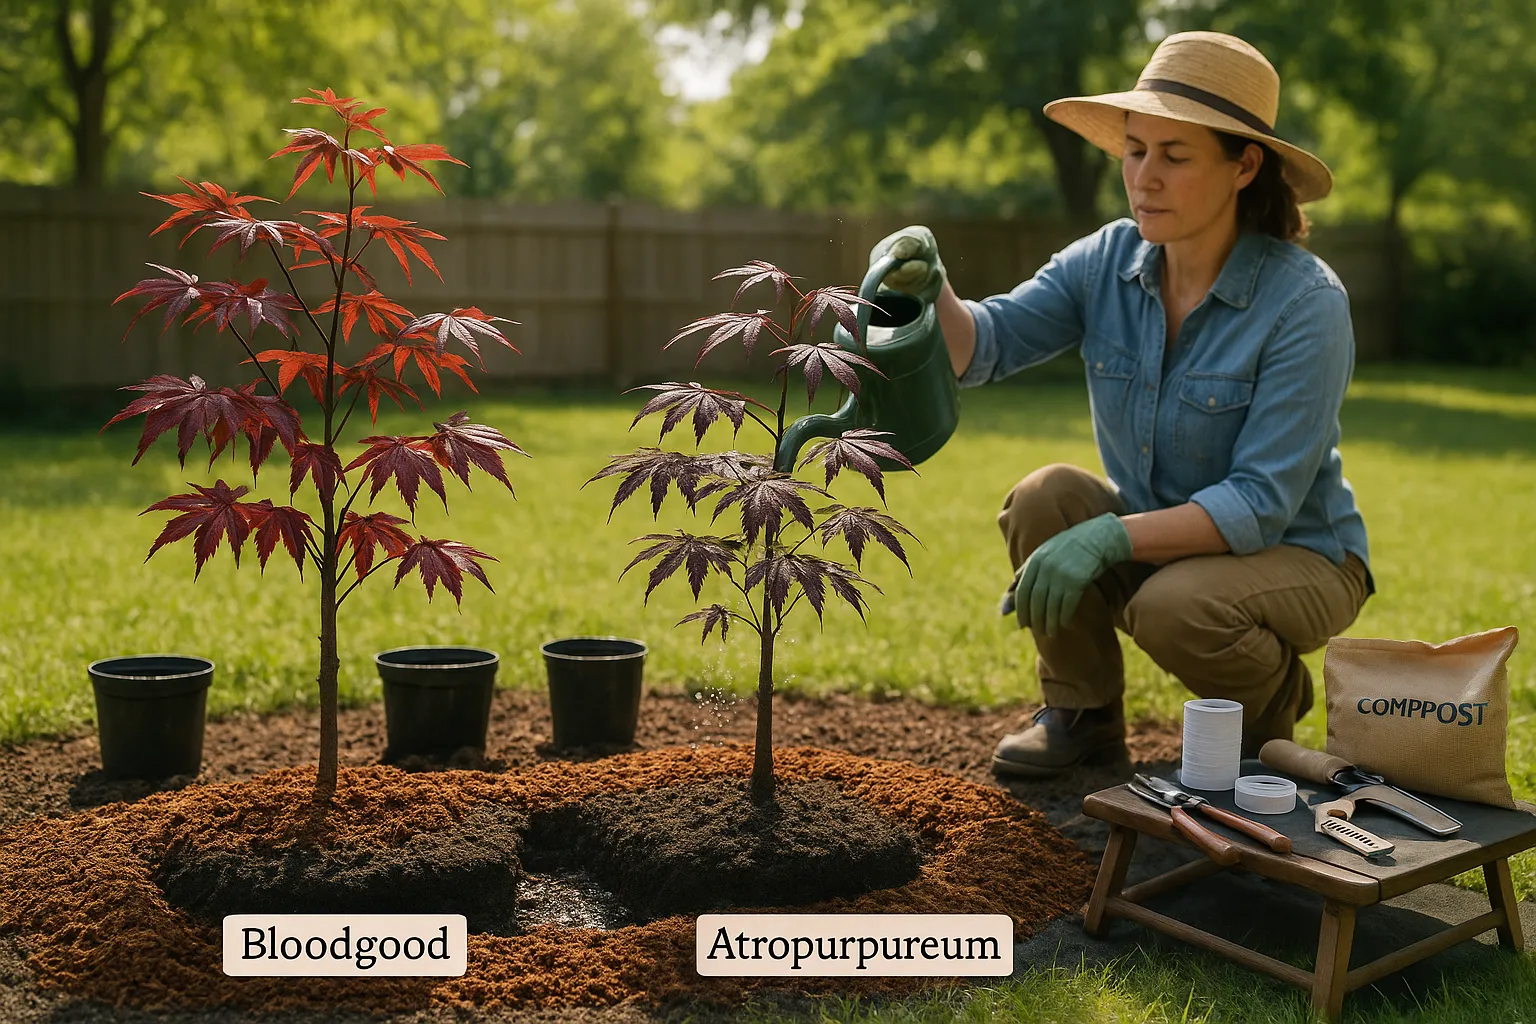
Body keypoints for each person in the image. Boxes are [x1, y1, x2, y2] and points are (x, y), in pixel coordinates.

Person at [870, 31, 1374, 778]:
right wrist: (930, 289)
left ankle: (1268, 713)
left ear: (1244, 165)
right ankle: (1084, 715)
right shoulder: (1108, 260)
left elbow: (1260, 505)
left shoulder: (1304, 302)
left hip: (1299, 556)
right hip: (1166, 542)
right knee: (1045, 498)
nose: (1145, 177)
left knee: (1174, 606)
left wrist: (1109, 540)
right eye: (1135, 151)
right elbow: (981, 347)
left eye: (1176, 155)